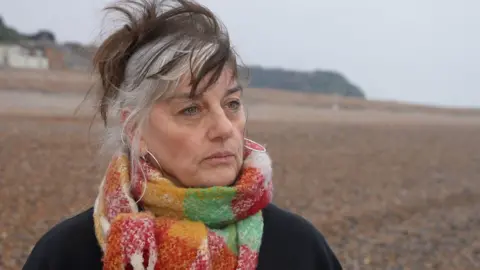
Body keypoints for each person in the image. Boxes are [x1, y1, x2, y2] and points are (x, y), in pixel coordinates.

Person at [23, 0, 342, 269]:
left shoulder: (299, 249)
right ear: (135, 129)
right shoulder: (68, 255)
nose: (224, 128)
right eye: (191, 109)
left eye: (231, 103)